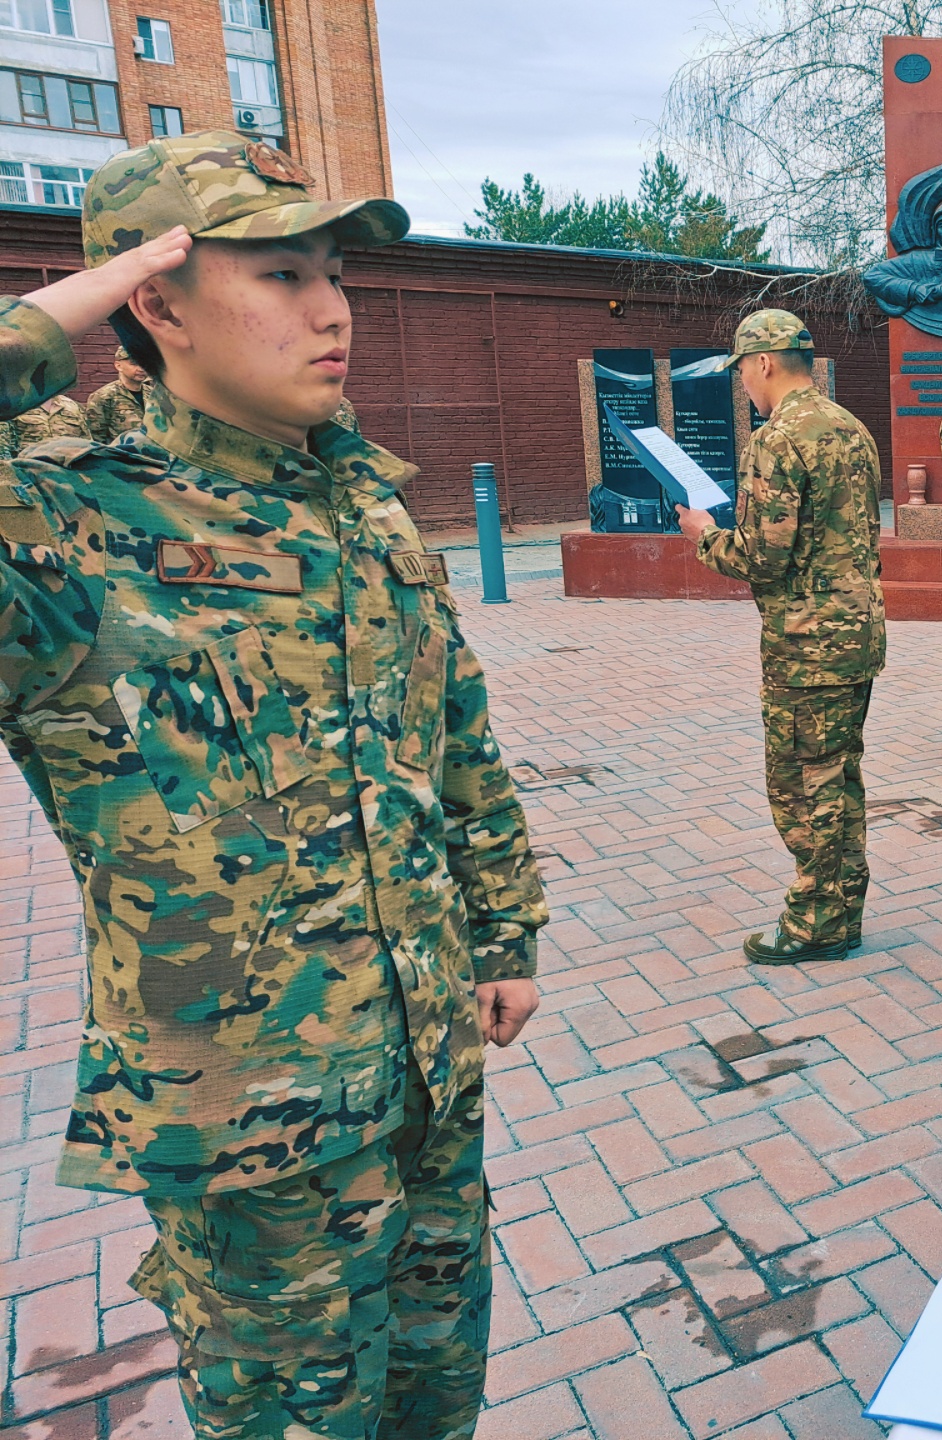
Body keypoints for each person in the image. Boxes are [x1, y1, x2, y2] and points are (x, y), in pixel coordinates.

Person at [0, 130, 546, 1439]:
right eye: (283, 274)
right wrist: (42, 326)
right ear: (156, 300)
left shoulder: (356, 500)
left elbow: (455, 735)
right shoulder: (59, 521)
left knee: (435, 1397)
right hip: (246, 1123)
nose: (333, 309)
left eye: (335, 273)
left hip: (424, 1067)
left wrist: (505, 928)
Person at [677, 309, 886, 964]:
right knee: (838, 777)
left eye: (743, 369)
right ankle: (841, 909)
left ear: (763, 363)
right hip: (856, 635)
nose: (743, 382)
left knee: (804, 788)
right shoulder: (852, 429)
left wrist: (703, 537)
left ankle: (816, 920)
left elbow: (764, 557)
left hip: (807, 647)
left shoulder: (775, 442)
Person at [83, 344, 149, 442]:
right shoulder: (103, 397)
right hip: (121, 455)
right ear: (118, 366)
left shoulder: (154, 394)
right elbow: (97, 439)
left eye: (144, 363)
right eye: (134, 363)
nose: (141, 368)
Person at [0, 389, 88, 457]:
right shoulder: (15, 406)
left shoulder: (72, 406)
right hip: (28, 472)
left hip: (69, 473)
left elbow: (87, 443)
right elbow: (4, 449)